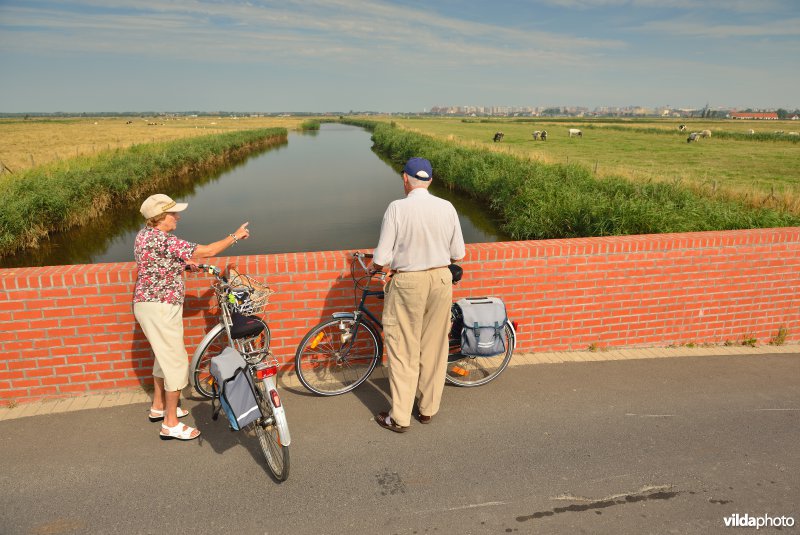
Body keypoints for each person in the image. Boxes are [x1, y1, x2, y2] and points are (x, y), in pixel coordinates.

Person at [132, 193, 250, 441]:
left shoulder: (144, 236)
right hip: (161, 306)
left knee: (163, 358)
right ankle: (170, 423)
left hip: (147, 304)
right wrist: (235, 236)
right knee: (175, 363)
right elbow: (207, 251)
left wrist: (183, 265)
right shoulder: (164, 239)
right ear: (161, 217)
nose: (178, 216)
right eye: (174, 213)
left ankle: (159, 406)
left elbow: (156, 263)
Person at [370, 157, 466, 432]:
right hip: (440, 279)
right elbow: (458, 253)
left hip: (408, 281)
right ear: (430, 181)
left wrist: (374, 266)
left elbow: (383, 256)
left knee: (403, 348)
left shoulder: (397, 208)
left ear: (405, 179)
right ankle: (427, 409)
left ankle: (399, 416)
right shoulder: (446, 207)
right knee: (435, 346)